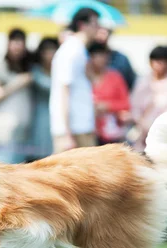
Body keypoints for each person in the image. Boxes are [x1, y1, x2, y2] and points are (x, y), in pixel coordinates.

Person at [50, 7, 100, 153]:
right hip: (73, 129)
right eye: (94, 23)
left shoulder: (79, 49)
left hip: (81, 126)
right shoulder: (71, 50)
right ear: (82, 25)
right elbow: (64, 91)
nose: (98, 28)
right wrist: (67, 134)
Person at [0, 29, 34, 164]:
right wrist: (18, 82)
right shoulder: (0, 64)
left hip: (21, 135)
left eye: (21, 42)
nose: (17, 46)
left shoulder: (26, 65)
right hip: (4, 133)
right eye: (14, 41)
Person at [130, 45, 167, 150]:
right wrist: (142, 124)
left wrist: (154, 128)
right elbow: (134, 107)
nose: (159, 65)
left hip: (164, 137)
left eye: (162, 61)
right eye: (155, 61)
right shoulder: (142, 82)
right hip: (141, 137)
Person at [88, 43, 131, 145]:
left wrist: (108, 106)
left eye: (102, 56)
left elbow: (125, 103)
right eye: (95, 56)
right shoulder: (84, 78)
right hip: (89, 129)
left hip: (111, 131)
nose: (99, 60)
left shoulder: (115, 77)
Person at [29, 37, 58, 161]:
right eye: (47, 51)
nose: (50, 55)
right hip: (39, 119)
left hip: (56, 118)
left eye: (53, 51)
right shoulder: (35, 72)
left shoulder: (58, 72)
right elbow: (49, 86)